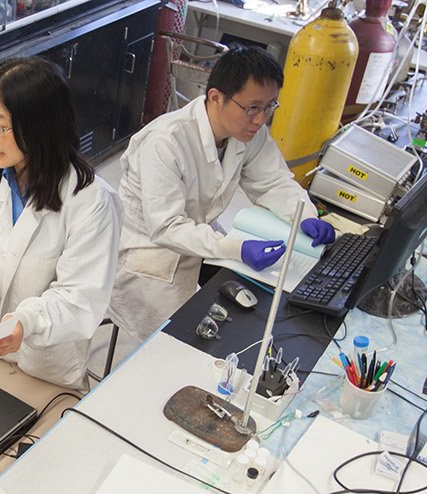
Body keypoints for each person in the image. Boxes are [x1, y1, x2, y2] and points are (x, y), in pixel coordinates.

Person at [108, 44, 338, 345]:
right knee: (179, 344)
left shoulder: (245, 131)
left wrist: (305, 214)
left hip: (199, 235)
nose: (261, 119)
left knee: (255, 307)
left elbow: (273, 182)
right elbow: (166, 227)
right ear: (216, 97)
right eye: (253, 108)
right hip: (149, 257)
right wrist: (236, 248)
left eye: (270, 107)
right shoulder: (165, 142)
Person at [0, 57, 121, 389]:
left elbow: (80, 296)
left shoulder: (92, 202)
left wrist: (27, 322)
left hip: (46, 369)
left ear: (40, 126)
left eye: (0, 125)